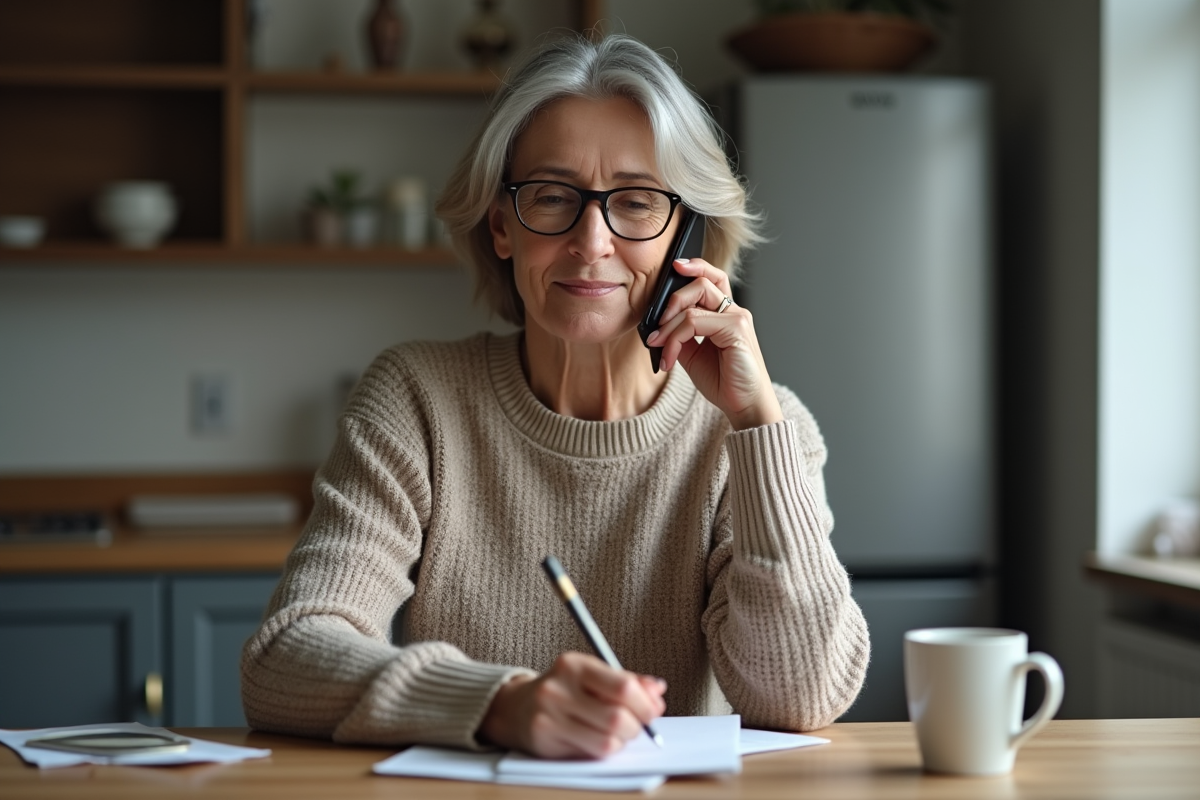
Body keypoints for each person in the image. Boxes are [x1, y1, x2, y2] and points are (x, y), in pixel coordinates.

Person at [241, 32, 869, 760]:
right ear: (502, 225)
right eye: (552, 197)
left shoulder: (762, 429)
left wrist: (756, 424)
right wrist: (499, 705)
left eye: (636, 203)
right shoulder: (417, 400)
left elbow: (800, 698)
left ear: (686, 235)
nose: (591, 240)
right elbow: (286, 658)